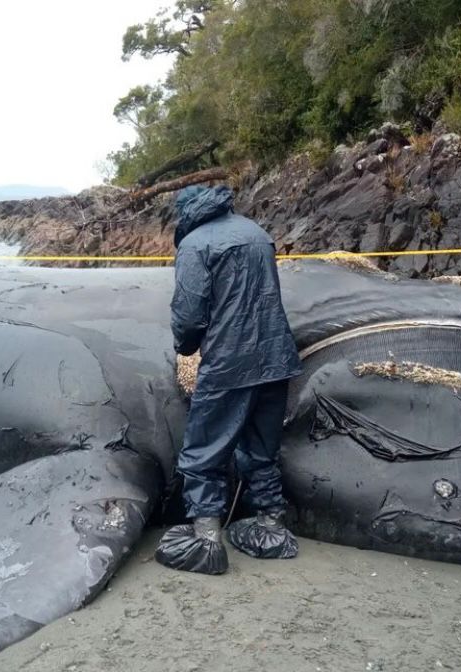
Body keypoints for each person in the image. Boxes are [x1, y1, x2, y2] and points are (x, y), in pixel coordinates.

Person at [155, 184, 303, 575]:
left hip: (228, 363)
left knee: (203, 449)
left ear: (186, 214)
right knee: (261, 446)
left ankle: (206, 538)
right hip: (275, 357)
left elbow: (188, 314)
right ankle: (271, 527)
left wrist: (186, 347)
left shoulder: (195, 244)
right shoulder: (257, 233)